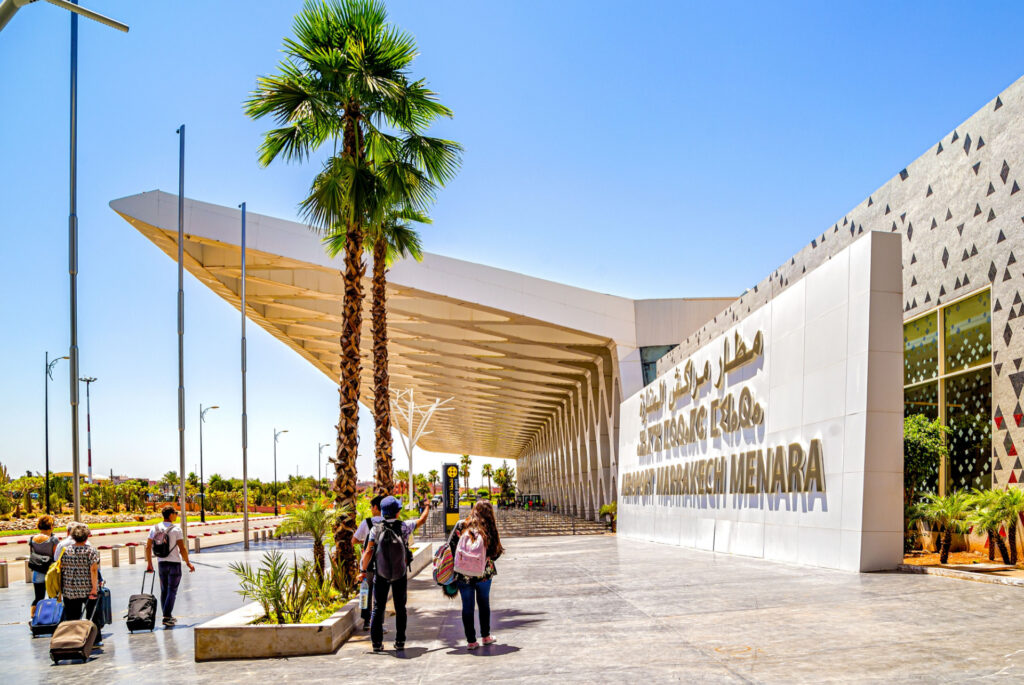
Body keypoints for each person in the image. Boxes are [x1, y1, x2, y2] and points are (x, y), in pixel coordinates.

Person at [357, 496, 430, 652]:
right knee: (400, 608)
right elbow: (422, 520)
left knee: (378, 608)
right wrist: (427, 506)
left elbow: (369, 552)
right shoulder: (404, 527)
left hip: (381, 574)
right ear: (397, 512)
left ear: (382, 512)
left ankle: (377, 644)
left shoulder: (375, 529)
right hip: (399, 573)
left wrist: (363, 571)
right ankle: (400, 642)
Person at [450, 500, 504, 649]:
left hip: (463, 573)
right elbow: (497, 551)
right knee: (483, 603)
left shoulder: (462, 525)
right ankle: (486, 636)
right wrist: (486, 559)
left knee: (467, 606)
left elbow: (451, 546)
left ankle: (471, 641)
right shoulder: (490, 528)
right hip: (484, 573)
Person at [145, 506, 195, 626]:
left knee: (164, 590)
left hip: (161, 563)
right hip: (174, 564)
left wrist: (149, 564)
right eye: (175, 513)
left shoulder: (154, 528)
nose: (176, 515)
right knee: (172, 590)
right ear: (170, 515)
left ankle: (167, 616)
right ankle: (167, 617)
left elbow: (148, 547)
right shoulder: (176, 530)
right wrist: (188, 562)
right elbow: (182, 548)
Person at [59, 522, 103, 646]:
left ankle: (74, 639)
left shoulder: (66, 551)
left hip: (70, 589)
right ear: (87, 536)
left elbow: (61, 568)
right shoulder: (90, 551)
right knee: (92, 615)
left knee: (72, 617)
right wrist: (94, 588)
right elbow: (94, 570)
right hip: (87, 588)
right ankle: (95, 639)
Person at [352, 495, 385, 631]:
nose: (370, 509)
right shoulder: (387, 522)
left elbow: (353, 541)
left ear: (376, 507)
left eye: (371, 506)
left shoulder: (366, 523)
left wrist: (365, 543)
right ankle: (379, 624)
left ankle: (366, 622)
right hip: (382, 565)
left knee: (366, 592)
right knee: (380, 595)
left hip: (367, 565)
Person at [28, 515, 59, 619]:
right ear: (50, 526)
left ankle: (33, 617)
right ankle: (54, 617)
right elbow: (56, 555)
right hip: (50, 570)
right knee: (53, 596)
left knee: (38, 597)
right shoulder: (53, 539)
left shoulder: (32, 539)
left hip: (38, 570)